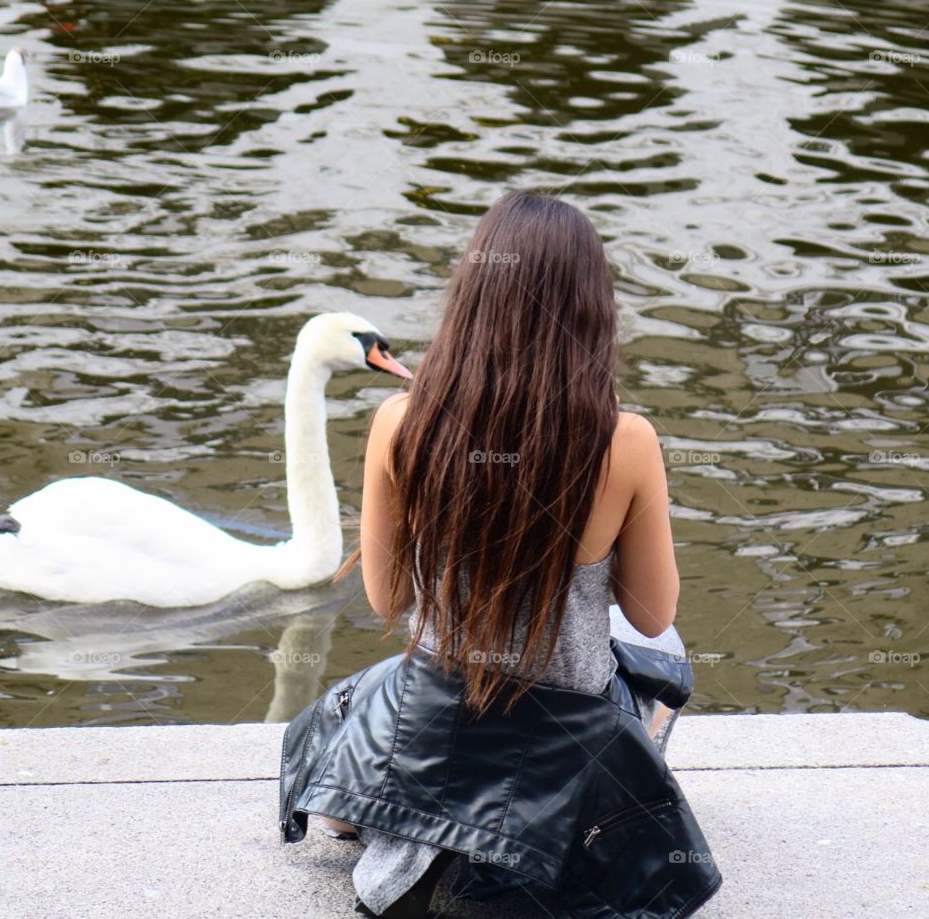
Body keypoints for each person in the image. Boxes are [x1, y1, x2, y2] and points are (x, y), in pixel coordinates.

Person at [278, 189, 722, 919]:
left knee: (367, 696)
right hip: (565, 734)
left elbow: (388, 598)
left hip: (434, 722)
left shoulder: (400, 422)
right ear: (592, 309)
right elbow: (652, 615)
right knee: (665, 655)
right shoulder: (627, 439)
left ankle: (385, 816)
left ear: (471, 299)